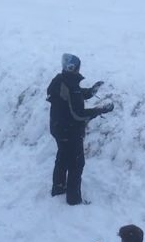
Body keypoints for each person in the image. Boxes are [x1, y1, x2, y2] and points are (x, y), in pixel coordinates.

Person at [47, 53, 113, 205]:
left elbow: (74, 95)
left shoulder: (61, 81)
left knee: (63, 158)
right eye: (78, 67)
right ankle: (73, 199)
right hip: (70, 131)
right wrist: (99, 110)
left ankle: (58, 188)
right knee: (76, 164)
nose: (79, 69)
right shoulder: (69, 85)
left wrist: (90, 91)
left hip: (59, 129)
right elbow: (78, 114)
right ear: (73, 68)